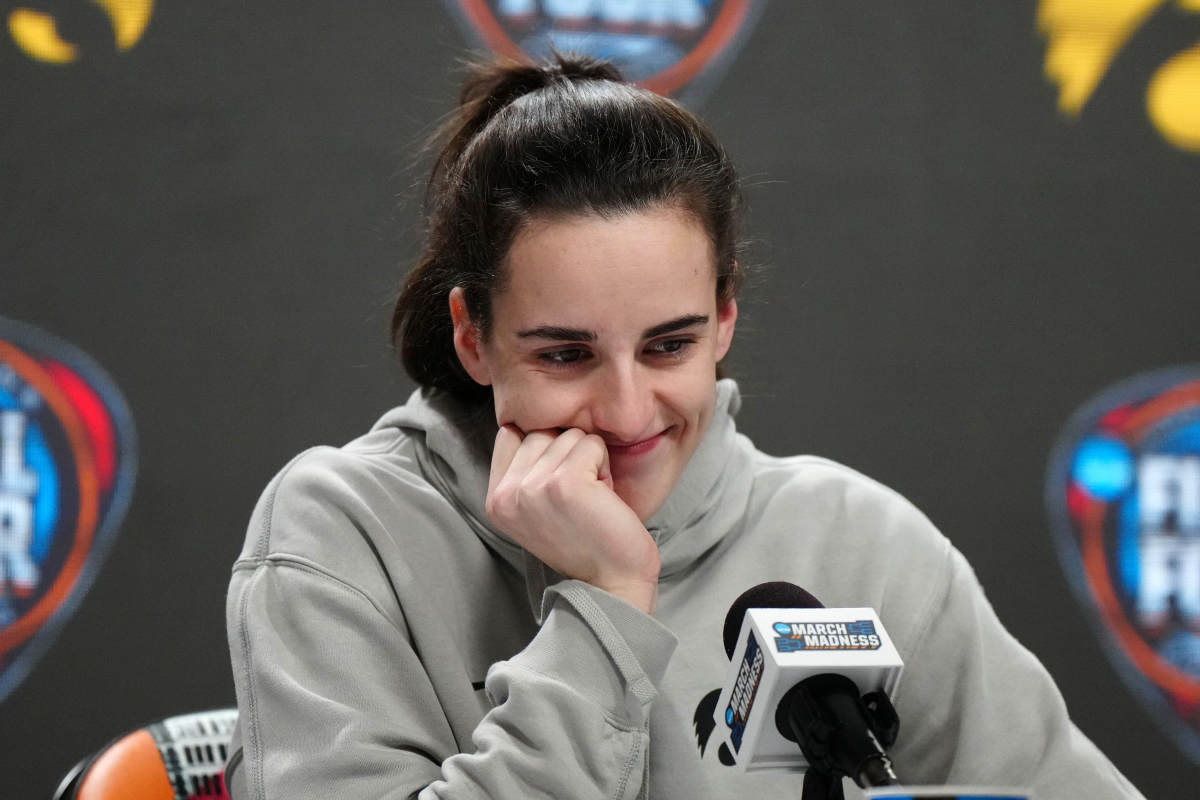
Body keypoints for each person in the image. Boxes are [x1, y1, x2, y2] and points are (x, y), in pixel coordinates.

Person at [224, 54, 1143, 799]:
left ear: (725, 321)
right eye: (563, 354)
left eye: (668, 346)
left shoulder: (861, 540)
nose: (627, 412)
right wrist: (610, 601)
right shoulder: (341, 533)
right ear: (472, 337)